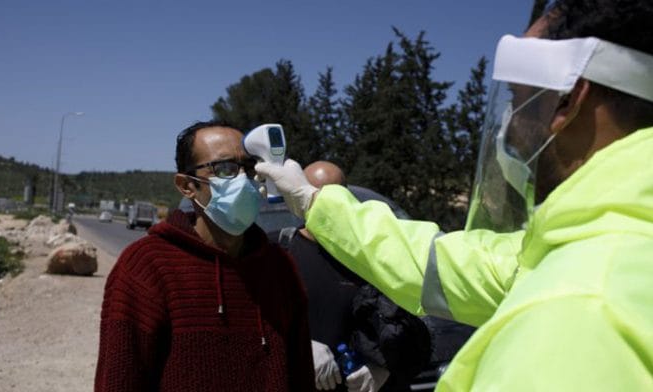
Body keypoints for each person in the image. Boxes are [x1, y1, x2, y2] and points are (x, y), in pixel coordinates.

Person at [256, 1, 653, 390]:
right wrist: (315, 201)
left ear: (569, 100)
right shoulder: (613, 244)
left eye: (517, 100)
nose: (509, 128)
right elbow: (441, 263)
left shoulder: (577, 312)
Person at [95, 121, 315, 391]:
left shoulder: (280, 268)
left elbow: (301, 373)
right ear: (187, 186)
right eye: (225, 169)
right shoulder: (146, 266)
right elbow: (120, 380)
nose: (242, 179)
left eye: (248, 167)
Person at [270, 161, 430, 392]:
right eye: (310, 193)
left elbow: (417, 333)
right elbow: (246, 328)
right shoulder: (276, 251)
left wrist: (385, 368)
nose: (320, 203)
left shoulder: (375, 254)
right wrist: (295, 348)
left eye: (332, 195)